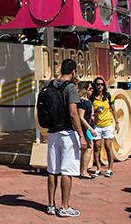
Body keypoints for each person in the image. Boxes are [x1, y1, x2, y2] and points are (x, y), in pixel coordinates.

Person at [45, 59, 87, 217]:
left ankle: (51, 205)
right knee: (67, 171)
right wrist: (81, 135)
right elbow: (73, 114)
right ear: (74, 72)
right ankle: (64, 206)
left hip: (52, 132)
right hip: (67, 132)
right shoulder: (71, 87)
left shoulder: (50, 84)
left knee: (52, 170)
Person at [90, 76, 118, 177]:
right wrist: (95, 111)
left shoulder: (108, 96)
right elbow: (89, 110)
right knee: (97, 147)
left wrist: (117, 122)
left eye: (102, 84)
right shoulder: (92, 97)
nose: (100, 86)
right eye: (98, 84)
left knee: (108, 145)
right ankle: (98, 168)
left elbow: (113, 109)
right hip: (97, 124)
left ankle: (110, 168)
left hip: (107, 123)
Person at [76, 81, 97, 180]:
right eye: (90, 89)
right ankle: (83, 171)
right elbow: (81, 117)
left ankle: (83, 170)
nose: (92, 90)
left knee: (88, 148)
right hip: (86, 128)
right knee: (88, 147)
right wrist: (90, 128)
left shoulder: (87, 101)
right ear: (84, 90)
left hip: (89, 125)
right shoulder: (82, 102)